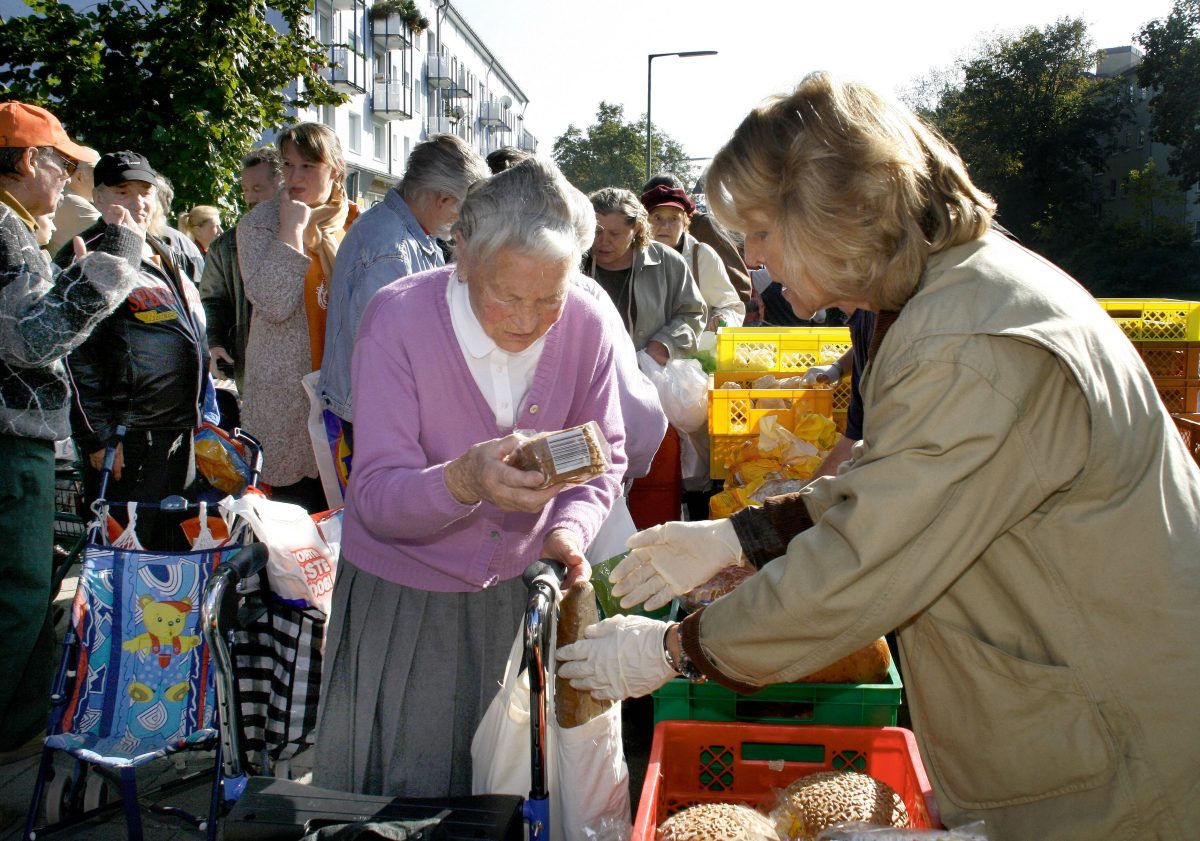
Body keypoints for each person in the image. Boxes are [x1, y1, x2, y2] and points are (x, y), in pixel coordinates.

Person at [557, 72, 1200, 840]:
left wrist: (673, 648)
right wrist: (739, 536)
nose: (753, 256)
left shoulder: (966, 338)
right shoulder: (951, 298)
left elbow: (866, 563)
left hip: (1118, 745)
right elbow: (896, 485)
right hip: (1080, 714)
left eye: (760, 231)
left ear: (834, 212)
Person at [313, 157, 627, 798]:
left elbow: (604, 454)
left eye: (549, 299)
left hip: (514, 598)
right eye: (506, 296)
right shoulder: (398, 318)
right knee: (401, 801)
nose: (526, 319)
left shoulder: (588, 324)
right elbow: (373, 497)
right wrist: (462, 481)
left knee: (501, 799)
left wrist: (567, 530)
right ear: (461, 255)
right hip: (403, 603)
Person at [0, 102, 144, 753]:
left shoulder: (17, 228)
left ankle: (18, 733)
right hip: (13, 446)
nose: (68, 180)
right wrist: (112, 262)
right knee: (20, 600)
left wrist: (64, 277)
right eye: (62, 164)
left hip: (21, 443)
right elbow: (31, 338)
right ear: (30, 161)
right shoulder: (6, 229)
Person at [318, 134, 487, 483]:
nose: (460, 224)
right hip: (371, 417)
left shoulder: (407, 233)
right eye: (462, 211)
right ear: (442, 199)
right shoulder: (390, 248)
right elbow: (393, 354)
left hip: (378, 410)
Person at [63, 151, 210, 549]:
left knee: (168, 556)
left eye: (145, 190)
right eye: (122, 191)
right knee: (126, 556)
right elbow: (74, 355)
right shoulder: (89, 252)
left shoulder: (160, 249)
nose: (137, 201)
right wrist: (98, 438)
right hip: (129, 437)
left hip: (177, 430)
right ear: (97, 196)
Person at [237, 122, 359, 511]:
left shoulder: (358, 224)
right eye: (288, 166)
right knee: (290, 540)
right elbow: (272, 302)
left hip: (345, 399)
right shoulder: (260, 224)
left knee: (347, 530)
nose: (295, 177)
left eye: (308, 166)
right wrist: (291, 231)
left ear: (334, 170)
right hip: (285, 404)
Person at [584, 187, 705, 529]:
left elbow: (693, 313)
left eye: (614, 234)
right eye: (595, 231)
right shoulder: (575, 260)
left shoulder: (667, 262)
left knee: (653, 488)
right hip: (588, 394)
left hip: (649, 394)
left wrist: (663, 345)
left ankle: (651, 558)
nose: (602, 242)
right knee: (592, 485)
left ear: (636, 230)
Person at [199, 148, 284, 391]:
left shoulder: (309, 235)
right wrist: (215, 343)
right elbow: (212, 301)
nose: (249, 198)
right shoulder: (225, 246)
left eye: (258, 189)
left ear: (283, 186)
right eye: (246, 190)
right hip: (252, 373)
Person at [641, 184, 744, 330]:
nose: (665, 226)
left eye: (674, 219)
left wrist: (722, 320)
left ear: (685, 223)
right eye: (657, 218)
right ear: (645, 222)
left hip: (695, 350)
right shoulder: (633, 256)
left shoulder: (702, 256)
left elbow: (731, 306)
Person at [46, 144, 100, 254]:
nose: (103, 180)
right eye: (99, 174)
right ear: (80, 176)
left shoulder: (58, 197)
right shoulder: (76, 204)